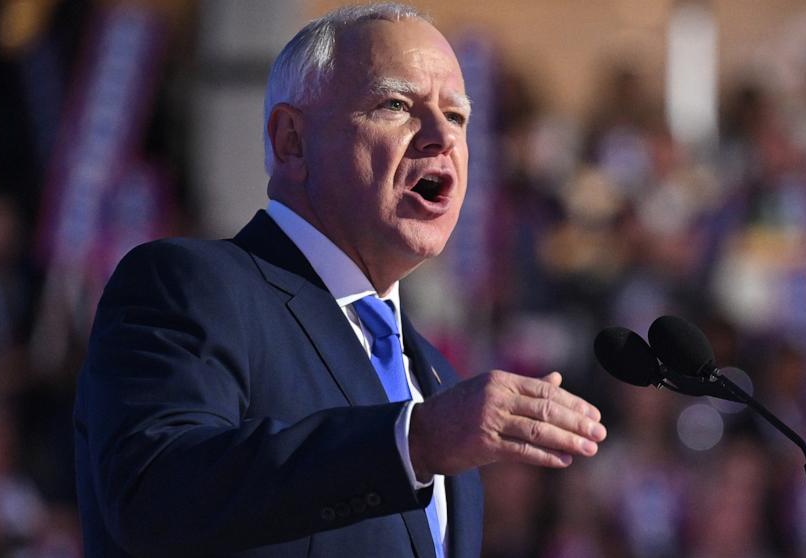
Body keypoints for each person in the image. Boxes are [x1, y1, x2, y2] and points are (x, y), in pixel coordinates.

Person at [73, 4, 606, 557]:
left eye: (456, 117)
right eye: (397, 105)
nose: (439, 137)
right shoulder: (192, 288)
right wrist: (413, 441)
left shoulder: (437, 379)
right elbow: (155, 498)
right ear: (291, 142)